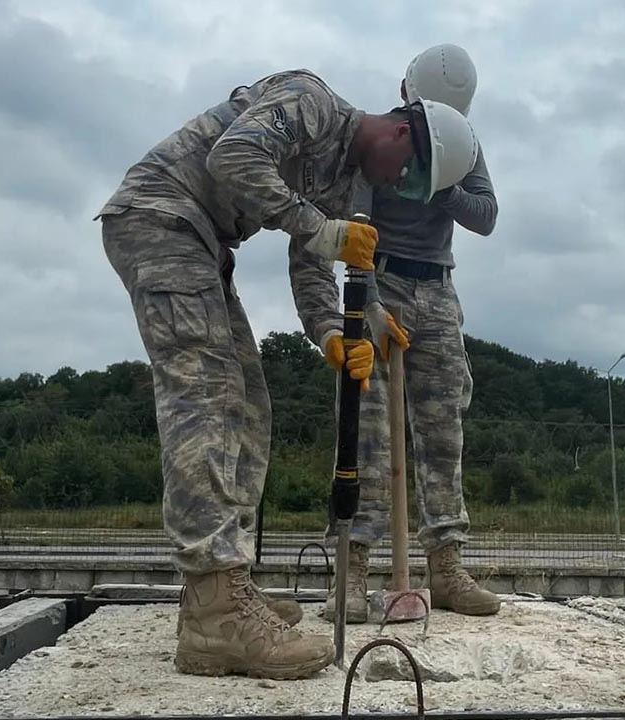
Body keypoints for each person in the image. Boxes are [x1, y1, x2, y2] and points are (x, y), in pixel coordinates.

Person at [95, 69, 479, 679]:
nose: (398, 184)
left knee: (248, 405)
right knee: (209, 399)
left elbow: (311, 265)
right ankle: (216, 605)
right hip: (160, 214)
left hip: (202, 240)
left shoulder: (341, 180)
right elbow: (234, 156)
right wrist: (321, 228)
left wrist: (331, 333)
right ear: (403, 129)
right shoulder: (314, 102)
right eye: (407, 170)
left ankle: (223, 591)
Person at [290, 45, 500, 623]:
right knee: (366, 426)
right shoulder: (381, 141)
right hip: (378, 285)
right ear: (407, 97)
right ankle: (351, 572)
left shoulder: (465, 145)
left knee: (443, 430)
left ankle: (446, 565)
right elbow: (355, 227)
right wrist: (370, 303)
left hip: (438, 292)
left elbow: (486, 216)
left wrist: (443, 181)